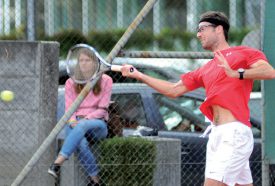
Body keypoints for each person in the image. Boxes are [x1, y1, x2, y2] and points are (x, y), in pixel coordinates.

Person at [121, 11, 275, 186]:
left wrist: (237, 73)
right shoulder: (205, 69)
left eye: (202, 29)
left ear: (218, 29)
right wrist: (140, 75)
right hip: (216, 134)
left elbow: (268, 71)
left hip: (233, 134)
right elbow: (173, 90)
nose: (198, 34)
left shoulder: (243, 53)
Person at [48, 48, 113, 186]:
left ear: (95, 62)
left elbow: (102, 110)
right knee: (81, 144)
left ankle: (57, 162)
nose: (83, 63)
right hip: (76, 123)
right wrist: (72, 121)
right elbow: (70, 109)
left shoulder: (106, 80)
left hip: (98, 125)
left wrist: (83, 120)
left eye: (87, 60)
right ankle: (95, 181)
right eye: (81, 60)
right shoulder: (71, 83)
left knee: (82, 125)